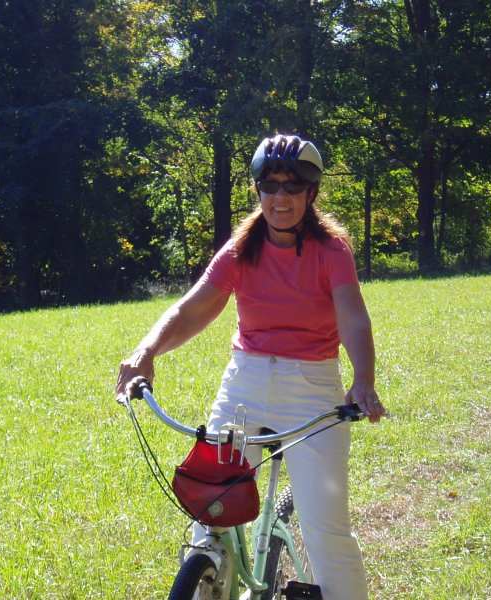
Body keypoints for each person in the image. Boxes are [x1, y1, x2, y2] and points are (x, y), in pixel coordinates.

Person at [116, 134, 385, 599]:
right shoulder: (243, 249)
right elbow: (191, 310)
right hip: (245, 383)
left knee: (326, 532)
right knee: (209, 519)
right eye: (270, 185)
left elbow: (352, 317)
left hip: (312, 387)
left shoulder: (331, 251)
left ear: (311, 193)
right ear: (258, 190)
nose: (280, 197)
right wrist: (146, 352)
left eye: (293, 186)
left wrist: (363, 380)